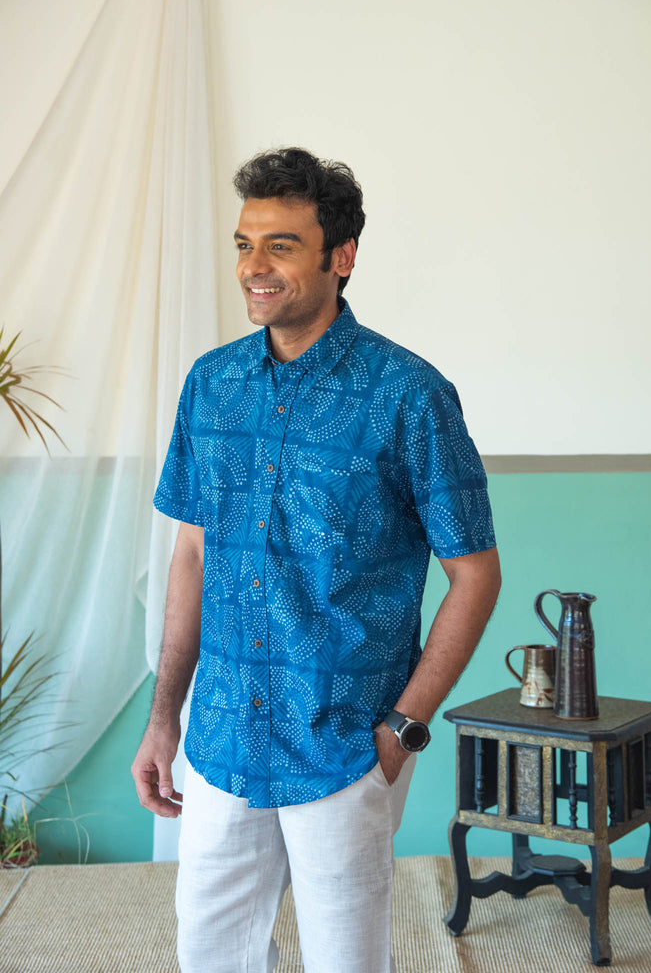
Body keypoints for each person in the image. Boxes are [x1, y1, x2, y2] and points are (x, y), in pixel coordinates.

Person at [131, 147, 501, 973]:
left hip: (344, 742)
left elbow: (475, 574)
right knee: (211, 957)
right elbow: (192, 553)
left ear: (342, 255)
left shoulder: (410, 395)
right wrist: (165, 718)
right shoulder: (210, 386)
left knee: (346, 962)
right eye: (243, 244)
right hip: (221, 736)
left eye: (282, 245)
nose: (253, 267)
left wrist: (401, 730)